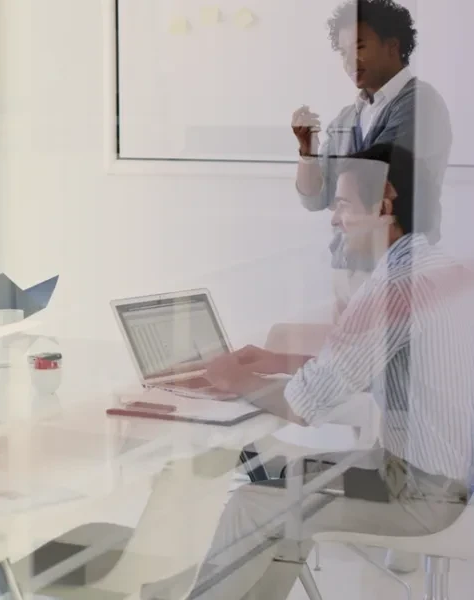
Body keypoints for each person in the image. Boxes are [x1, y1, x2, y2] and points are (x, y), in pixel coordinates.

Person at [160, 144, 473, 600]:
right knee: (282, 483)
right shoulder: (434, 266)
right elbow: (383, 368)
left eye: (343, 204)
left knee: (254, 503)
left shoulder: (392, 286)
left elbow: (303, 406)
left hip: (422, 495)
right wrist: (278, 362)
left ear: (384, 206)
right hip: (437, 478)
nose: (332, 218)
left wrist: (230, 377)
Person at [292, 0, 452, 318]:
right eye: (342, 52)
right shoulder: (347, 116)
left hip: (398, 269)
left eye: (360, 46)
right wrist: (308, 150)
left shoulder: (421, 104)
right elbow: (316, 197)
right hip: (353, 267)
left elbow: (371, 184)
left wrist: (335, 174)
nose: (349, 59)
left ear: (393, 45)